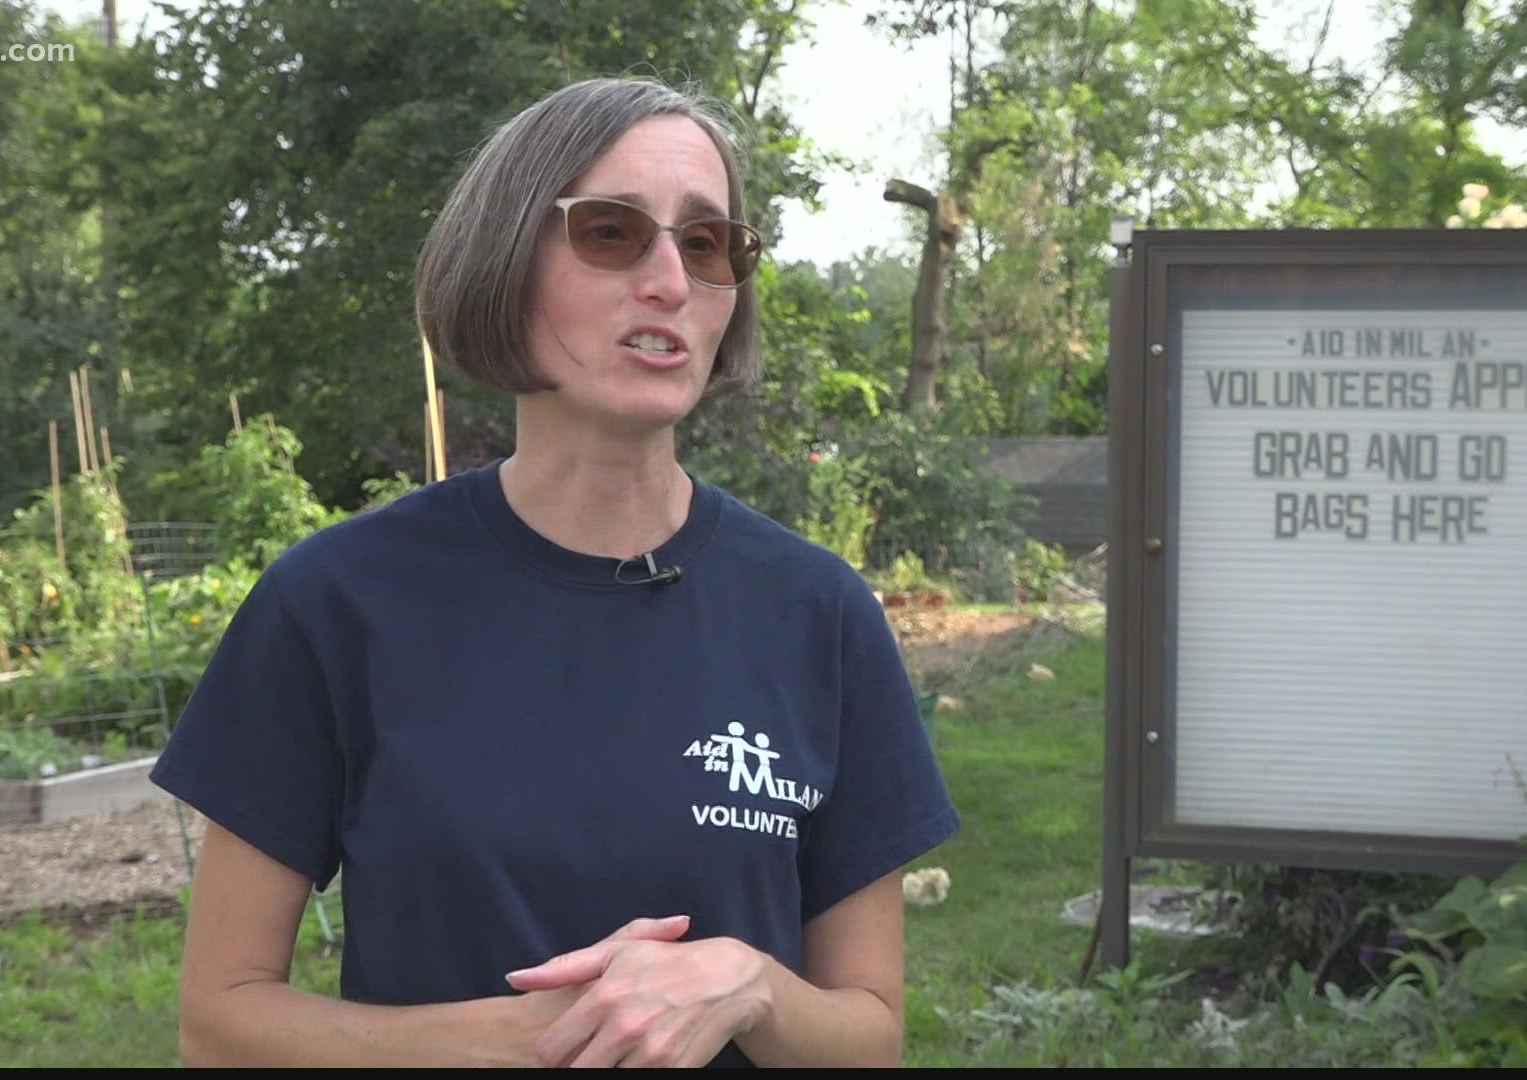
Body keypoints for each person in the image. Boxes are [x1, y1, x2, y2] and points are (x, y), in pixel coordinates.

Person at [149, 74, 961, 1068]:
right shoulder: (337, 601)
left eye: (706, 244)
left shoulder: (818, 612)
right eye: (612, 232)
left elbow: (869, 1038)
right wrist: (530, 1039)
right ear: (506, 263)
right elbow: (220, 1026)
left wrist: (752, 985)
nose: (668, 278)